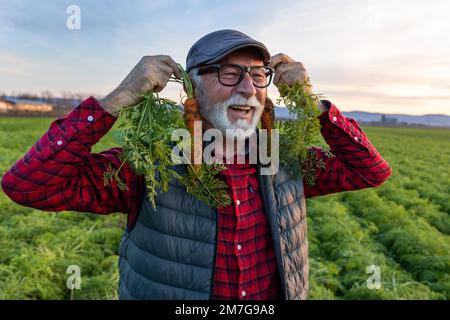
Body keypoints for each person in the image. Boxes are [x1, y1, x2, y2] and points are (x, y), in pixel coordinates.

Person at [1, 29, 392, 300]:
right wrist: (118, 98)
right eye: (228, 73)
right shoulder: (150, 162)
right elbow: (30, 186)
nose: (247, 88)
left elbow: (370, 171)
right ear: (192, 86)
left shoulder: (286, 159)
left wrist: (312, 102)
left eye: (258, 76)